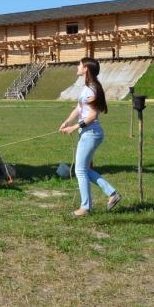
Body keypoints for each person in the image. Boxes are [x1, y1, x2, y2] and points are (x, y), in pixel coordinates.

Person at [59, 57, 121, 217]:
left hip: (91, 134)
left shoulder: (93, 89)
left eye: (79, 64)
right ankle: (112, 193)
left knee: (80, 171)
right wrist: (67, 121)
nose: (77, 67)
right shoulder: (87, 88)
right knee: (84, 170)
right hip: (88, 133)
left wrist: (74, 127)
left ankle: (85, 207)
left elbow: (93, 115)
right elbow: (79, 108)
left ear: (86, 68)